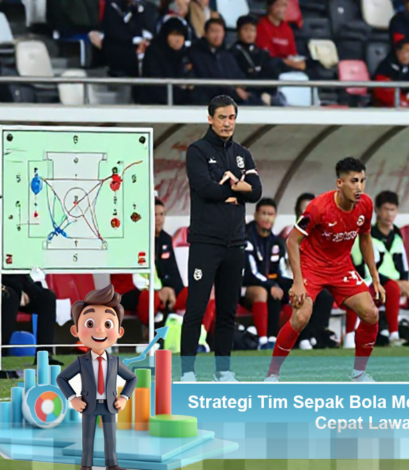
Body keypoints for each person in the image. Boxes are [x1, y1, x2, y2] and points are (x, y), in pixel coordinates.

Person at [265, 158, 386, 382]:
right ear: (340, 183)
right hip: (311, 267)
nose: (359, 187)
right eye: (353, 181)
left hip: (341, 267)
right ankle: (272, 375)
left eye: (362, 181)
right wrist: (297, 282)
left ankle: (359, 374)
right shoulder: (318, 207)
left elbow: (366, 238)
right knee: (301, 317)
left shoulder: (366, 205)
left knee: (371, 314)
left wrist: (375, 278)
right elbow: (292, 241)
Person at [181, 95, 263, 382]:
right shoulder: (197, 151)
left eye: (232, 117)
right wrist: (238, 189)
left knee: (228, 312)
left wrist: (233, 186)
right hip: (205, 243)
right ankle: (188, 372)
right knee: (196, 308)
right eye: (222, 117)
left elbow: (257, 192)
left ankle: (223, 371)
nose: (228, 123)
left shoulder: (243, 154)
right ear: (210, 119)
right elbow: (205, 189)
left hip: (235, 244)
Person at [57, 285, 138, 470]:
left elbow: (132, 378)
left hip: (110, 405)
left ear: (120, 332)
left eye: (108, 324)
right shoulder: (81, 361)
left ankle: (112, 464)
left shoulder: (115, 362)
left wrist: (124, 398)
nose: (100, 330)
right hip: (88, 405)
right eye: (90, 324)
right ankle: (86, 466)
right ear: (75, 331)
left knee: (111, 437)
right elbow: (62, 378)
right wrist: (73, 398)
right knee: (88, 437)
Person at [347, 191, 409, 347]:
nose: (389, 214)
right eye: (386, 209)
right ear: (377, 211)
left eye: (393, 210)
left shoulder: (396, 236)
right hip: (372, 285)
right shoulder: (365, 236)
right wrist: (394, 282)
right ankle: (393, 335)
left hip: (394, 284)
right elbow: (365, 269)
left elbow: (404, 265)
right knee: (392, 288)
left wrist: (405, 282)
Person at [242, 198, 334, 350]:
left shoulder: (276, 241)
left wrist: (297, 285)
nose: (267, 218)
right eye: (264, 213)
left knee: (316, 294)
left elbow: (280, 271)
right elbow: (251, 273)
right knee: (270, 292)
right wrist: (272, 284)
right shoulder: (247, 238)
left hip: (273, 282)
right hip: (247, 285)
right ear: (256, 215)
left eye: (271, 214)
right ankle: (267, 340)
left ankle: (312, 336)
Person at [111, 198, 188, 327]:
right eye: (154, 214)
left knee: (194, 294)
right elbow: (136, 278)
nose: (159, 219)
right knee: (151, 298)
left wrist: (172, 290)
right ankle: (154, 332)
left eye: (161, 214)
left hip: (162, 290)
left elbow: (173, 271)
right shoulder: (136, 240)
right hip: (135, 291)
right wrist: (159, 291)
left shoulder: (165, 239)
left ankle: (201, 335)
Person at [190, 18, 257, 105]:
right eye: (213, 31)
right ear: (206, 33)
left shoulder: (227, 55)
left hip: (231, 99)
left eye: (219, 31)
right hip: (207, 101)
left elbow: (238, 76)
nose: (217, 35)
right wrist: (234, 90)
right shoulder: (196, 54)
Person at [2, 274, 60, 364]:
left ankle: (44, 356)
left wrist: (29, 291)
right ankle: (1, 356)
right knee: (9, 297)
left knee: (47, 298)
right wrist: (19, 291)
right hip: (4, 285)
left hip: (19, 284)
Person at [135, 16, 193, 105]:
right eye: (174, 34)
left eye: (180, 35)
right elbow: (155, 84)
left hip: (180, 105)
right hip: (153, 105)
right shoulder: (154, 52)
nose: (177, 39)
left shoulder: (186, 55)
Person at [231, 14, 284, 106]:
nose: (249, 34)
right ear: (238, 31)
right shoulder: (232, 53)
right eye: (246, 30)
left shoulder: (263, 53)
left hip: (265, 94)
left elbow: (272, 74)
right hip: (247, 96)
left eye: (252, 30)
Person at [102, 0, 151, 77]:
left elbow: (141, 28)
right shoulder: (112, 7)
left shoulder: (137, 8)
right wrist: (134, 40)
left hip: (136, 55)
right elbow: (115, 32)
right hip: (117, 55)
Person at [256, 0, 306, 72]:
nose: (282, 9)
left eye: (284, 5)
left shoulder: (287, 28)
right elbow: (266, 57)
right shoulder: (261, 26)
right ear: (270, 7)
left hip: (287, 67)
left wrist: (299, 63)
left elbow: (292, 53)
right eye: (278, 5)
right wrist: (286, 62)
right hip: (271, 68)